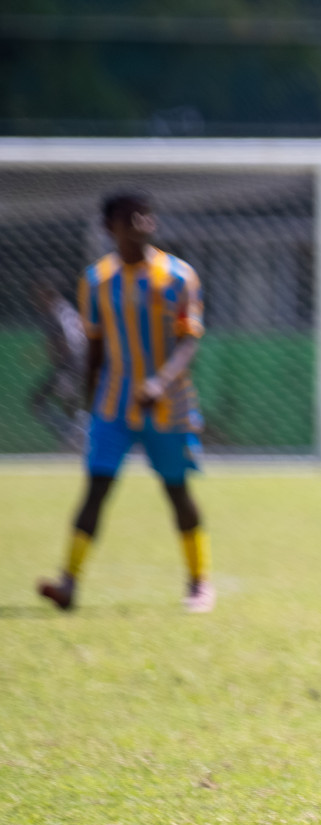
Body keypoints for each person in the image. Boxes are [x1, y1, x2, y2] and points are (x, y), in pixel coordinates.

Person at [37, 191, 215, 614]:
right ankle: (69, 583)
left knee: (177, 491)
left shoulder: (178, 276)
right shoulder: (97, 281)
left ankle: (199, 582)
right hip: (113, 407)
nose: (142, 222)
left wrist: (160, 382)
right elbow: (95, 346)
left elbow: (189, 340)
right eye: (130, 216)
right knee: (96, 489)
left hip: (167, 405)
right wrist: (88, 400)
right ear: (109, 227)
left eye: (146, 215)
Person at [26, 275, 88, 451]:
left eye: (37, 295)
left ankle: (75, 438)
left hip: (71, 365)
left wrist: (60, 374)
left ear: (47, 293)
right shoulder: (65, 308)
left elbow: (63, 348)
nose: (34, 300)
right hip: (82, 364)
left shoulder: (52, 315)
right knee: (72, 406)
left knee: (37, 402)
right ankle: (78, 436)